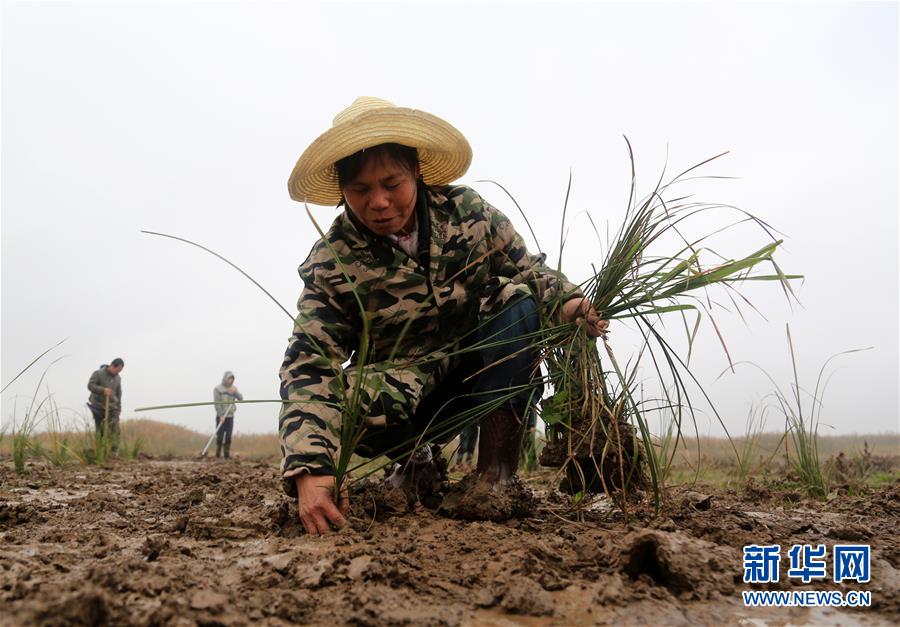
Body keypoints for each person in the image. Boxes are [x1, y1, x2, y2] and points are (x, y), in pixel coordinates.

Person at [278, 97, 609, 535]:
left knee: (519, 303)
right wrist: (311, 470)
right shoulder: (332, 261)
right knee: (350, 397)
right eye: (360, 190)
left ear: (415, 171)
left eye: (391, 183)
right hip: (397, 396)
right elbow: (309, 361)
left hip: (477, 373)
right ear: (342, 191)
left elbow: (528, 270)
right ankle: (416, 460)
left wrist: (566, 301)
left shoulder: (468, 213)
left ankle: (496, 477)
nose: (378, 202)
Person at [87, 358, 124, 453]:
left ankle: (113, 451)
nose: (118, 373)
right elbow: (90, 386)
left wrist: (119, 407)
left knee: (115, 428)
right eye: (117, 370)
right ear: (112, 366)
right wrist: (103, 390)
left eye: (120, 371)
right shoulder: (98, 373)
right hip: (97, 405)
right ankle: (100, 450)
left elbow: (119, 394)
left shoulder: (118, 378)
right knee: (100, 429)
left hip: (112, 406)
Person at [213, 371, 243, 459]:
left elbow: (240, 398)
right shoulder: (218, 389)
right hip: (221, 416)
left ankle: (226, 455)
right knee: (220, 436)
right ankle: (218, 455)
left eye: (232, 379)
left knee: (229, 436)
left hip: (230, 416)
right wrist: (220, 415)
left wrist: (235, 393)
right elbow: (217, 403)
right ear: (225, 379)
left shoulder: (234, 388)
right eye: (229, 379)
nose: (230, 381)